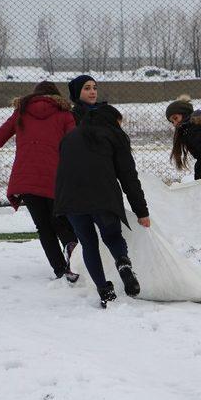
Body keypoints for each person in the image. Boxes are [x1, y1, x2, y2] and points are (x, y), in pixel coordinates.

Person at [0, 81, 79, 282]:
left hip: (26, 180)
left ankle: (60, 271)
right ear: (57, 97)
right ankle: (71, 255)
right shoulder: (65, 115)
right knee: (61, 223)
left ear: (34, 96)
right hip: (56, 178)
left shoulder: (21, 114)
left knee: (43, 227)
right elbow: (76, 146)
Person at [54, 104, 150, 308]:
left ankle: (104, 291)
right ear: (112, 120)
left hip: (71, 200)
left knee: (88, 243)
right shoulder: (113, 136)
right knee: (112, 236)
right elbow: (128, 177)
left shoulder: (69, 138)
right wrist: (141, 211)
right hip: (103, 196)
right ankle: (123, 263)